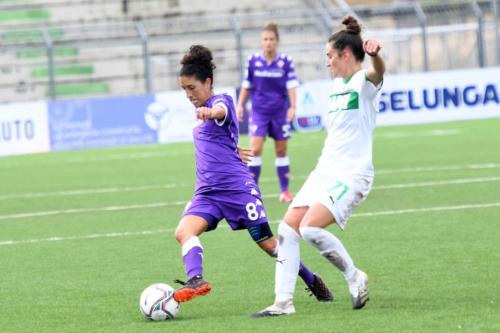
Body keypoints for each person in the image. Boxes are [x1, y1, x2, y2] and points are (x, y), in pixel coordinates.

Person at [172, 44, 333, 304]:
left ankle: (311, 278)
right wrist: (231, 146)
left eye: (192, 88)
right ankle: (196, 279)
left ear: (208, 82)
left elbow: (221, 113)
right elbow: (215, 140)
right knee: (183, 232)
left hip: (237, 191)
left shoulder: (220, 102)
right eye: (184, 89)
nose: (189, 94)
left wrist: (210, 112)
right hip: (207, 193)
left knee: (269, 246)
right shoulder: (199, 115)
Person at [252, 16, 386, 317]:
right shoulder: (337, 85)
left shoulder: (363, 82)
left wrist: (376, 55)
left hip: (352, 174)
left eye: (329, 56)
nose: (327, 63)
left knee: (310, 228)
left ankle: (354, 276)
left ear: (346, 55)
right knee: (287, 229)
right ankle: (283, 303)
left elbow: (378, 72)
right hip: (324, 171)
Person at [236, 22, 298, 203]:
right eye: (265, 39)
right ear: (261, 42)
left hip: (280, 112)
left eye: (271, 39)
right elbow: (247, 85)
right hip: (259, 112)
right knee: (254, 150)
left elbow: (292, 86)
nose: (268, 42)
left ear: (277, 41)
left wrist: (293, 107)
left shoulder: (285, 61)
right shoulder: (253, 61)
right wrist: (240, 105)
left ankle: (285, 192)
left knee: (281, 150)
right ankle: (252, 192)